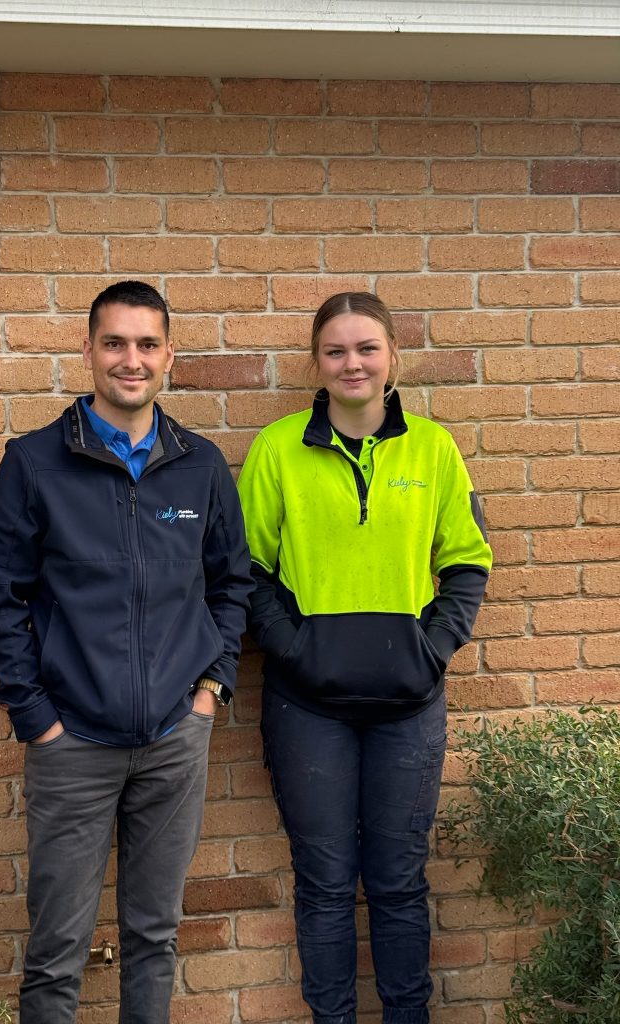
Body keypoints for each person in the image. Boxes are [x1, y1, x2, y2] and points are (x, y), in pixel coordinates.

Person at [0, 280, 253, 1024]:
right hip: (72, 745)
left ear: (170, 356)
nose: (132, 359)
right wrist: (38, 721)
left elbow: (232, 585)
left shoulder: (200, 465)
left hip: (173, 741)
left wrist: (209, 693)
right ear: (89, 351)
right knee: (56, 952)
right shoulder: (34, 464)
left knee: (154, 938)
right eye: (115, 343)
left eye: (147, 344)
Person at [236, 291, 492, 1024]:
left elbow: (468, 562)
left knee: (399, 884)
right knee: (323, 886)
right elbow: (244, 570)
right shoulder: (278, 448)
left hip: (408, 706)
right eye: (337, 350)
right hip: (306, 707)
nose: (353, 363)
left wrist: (431, 650)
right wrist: (294, 649)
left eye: (367, 348)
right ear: (316, 363)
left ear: (392, 358)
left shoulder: (434, 449)